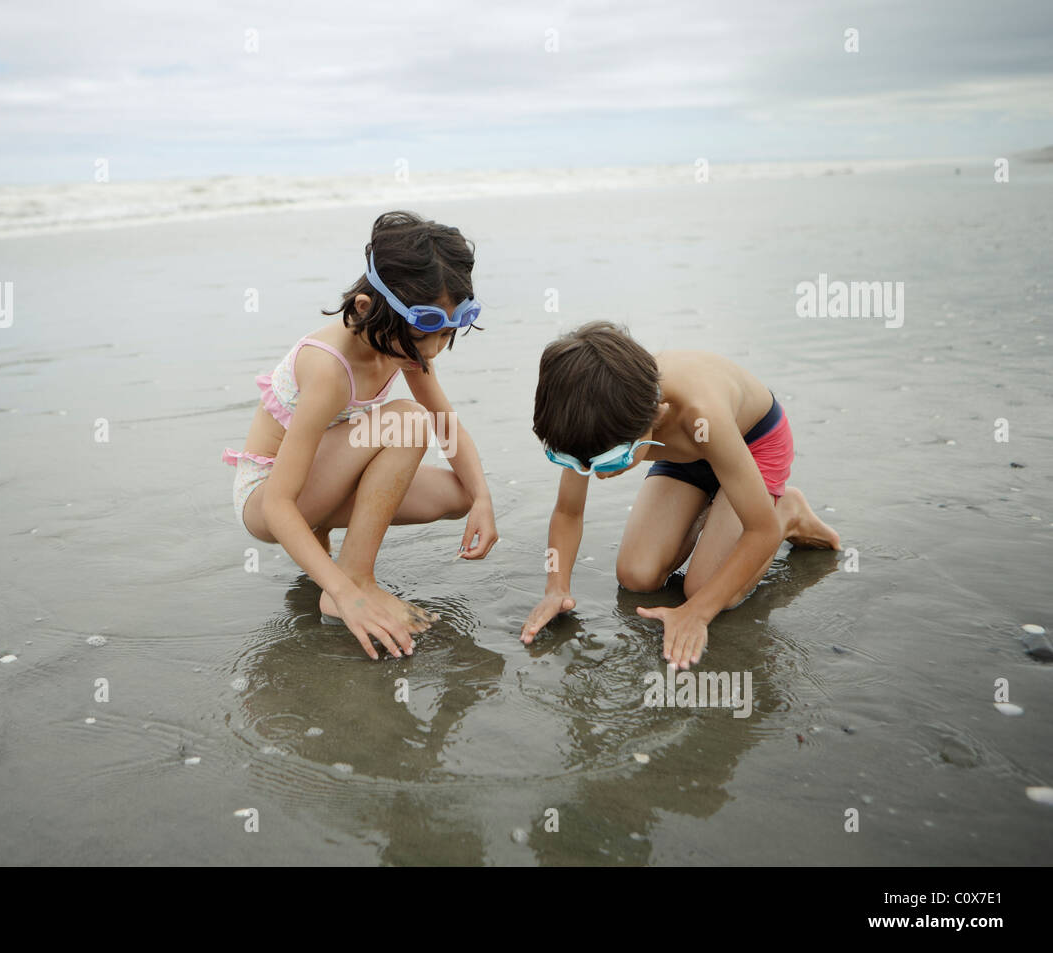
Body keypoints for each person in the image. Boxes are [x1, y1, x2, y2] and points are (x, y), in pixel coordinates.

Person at [223, 211, 499, 660]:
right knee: (407, 420)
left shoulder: (399, 339)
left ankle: (331, 542)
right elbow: (277, 504)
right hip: (267, 498)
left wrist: (484, 499)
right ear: (369, 309)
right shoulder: (328, 368)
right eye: (423, 336)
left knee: (461, 492)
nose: (430, 352)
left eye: (446, 334)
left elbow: (447, 426)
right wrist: (343, 590)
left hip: (325, 479)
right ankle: (353, 581)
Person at [520, 321, 839, 668]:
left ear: (651, 418)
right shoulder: (589, 414)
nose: (598, 472)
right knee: (636, 576)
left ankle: (786, 511)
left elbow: (759, 533)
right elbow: (568, 512)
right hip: (685, 457)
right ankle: (714, 505)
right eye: (576, 462)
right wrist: (556, 587)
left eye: (613, 460)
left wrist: (697, 614)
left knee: (703, 589)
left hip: (752, 447)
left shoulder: (700, 414)